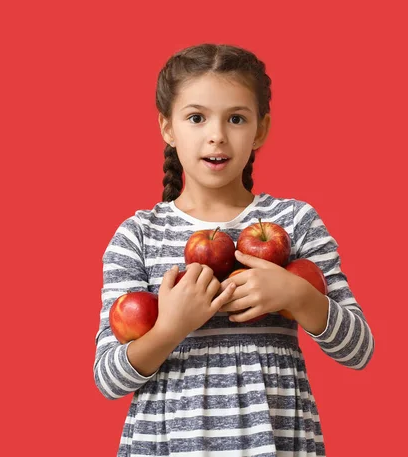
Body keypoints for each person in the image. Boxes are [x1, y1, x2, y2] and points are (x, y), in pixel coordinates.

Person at [94, 43, 375, 457]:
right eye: (196, 117)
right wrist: (171, 327)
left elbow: (359, 350)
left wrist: (298, 295)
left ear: (260, 129)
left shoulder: (295, 223)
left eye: (237, 118)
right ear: (167, 127)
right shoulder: (138, 235)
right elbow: (108, 378)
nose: (217, 135)